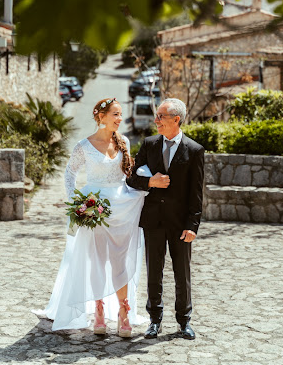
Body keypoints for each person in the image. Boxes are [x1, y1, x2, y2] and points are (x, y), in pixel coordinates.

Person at [34, 98, 147, 336]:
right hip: (95, 210)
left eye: (120, 114)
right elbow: (69, 174)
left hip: (122, 209)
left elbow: (129, 174)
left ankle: (123, 311)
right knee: (97, 260)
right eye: (115, 114)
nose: (119, 118)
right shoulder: (83, 146)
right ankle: (98, 307)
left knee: (121, 260)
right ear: (101, 116)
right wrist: (78, 203)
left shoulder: (123, 141)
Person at [126, 98, 204, 340]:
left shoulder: (194, 150)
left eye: (161, 116)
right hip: (153, 221)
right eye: (157, 115)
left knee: (182, 273)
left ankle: (184, 321)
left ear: (176, 120)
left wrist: (193, 226)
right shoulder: (148, 144)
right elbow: (131, 178)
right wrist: (151, 181)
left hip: (181, 224)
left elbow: (197, 193)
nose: (156, 120)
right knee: (154, 272)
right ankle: (154, 320)